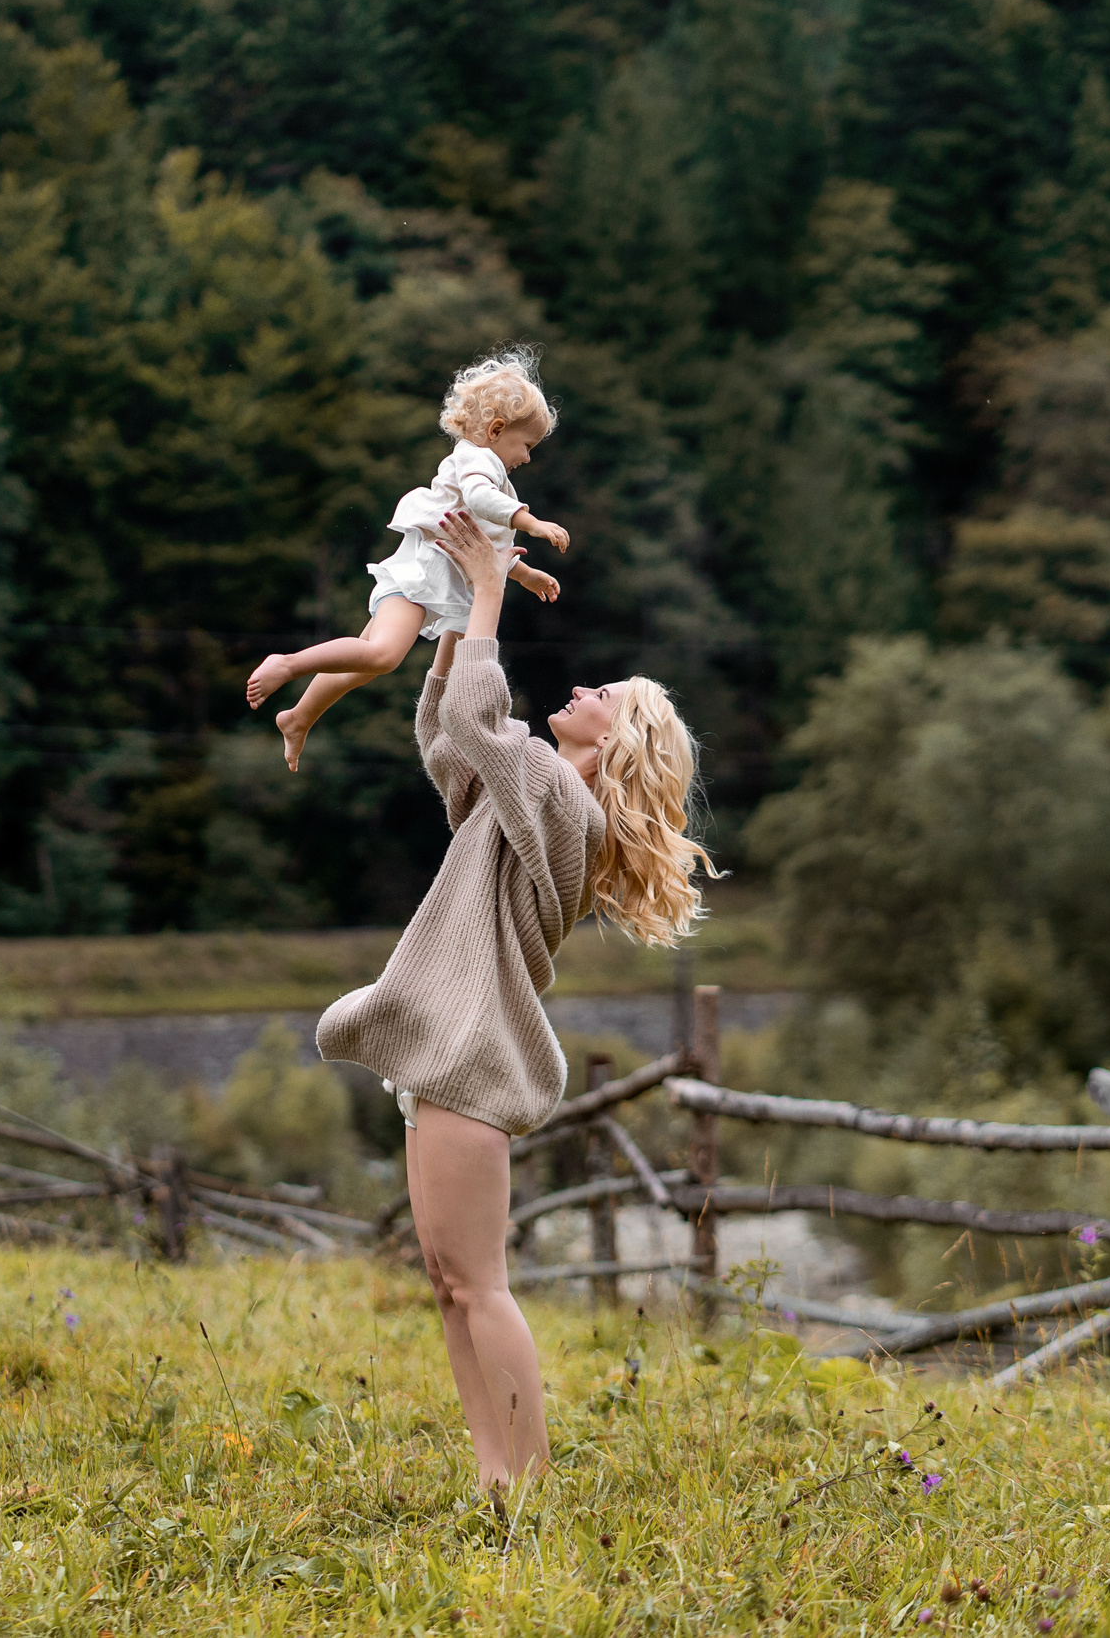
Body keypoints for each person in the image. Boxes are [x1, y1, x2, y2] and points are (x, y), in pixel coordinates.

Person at [316, 507, 713, 1493]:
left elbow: (473, 729)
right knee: (450, 1285)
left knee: (479, 1286)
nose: (581, 688)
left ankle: (527, 1486)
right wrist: (451, 612)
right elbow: (449, 743)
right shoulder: (527, 789)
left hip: (471, 1060)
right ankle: (495, 1479)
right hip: (452, 1055)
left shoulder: (559, 798)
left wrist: (488, 589)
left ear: (617, 738)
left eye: (603, 692)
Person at [246, 348, 573, 771]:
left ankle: (298, 717)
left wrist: (525, 575)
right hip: (419, 579)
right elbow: (478, 499)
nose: (527, 457)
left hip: (426, 581)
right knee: (383, 656)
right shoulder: (478, 462)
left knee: (365, 662)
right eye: (526, 445)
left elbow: (482, 543)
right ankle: (287, 664)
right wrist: (531, 522)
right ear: (495, 430)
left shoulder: (495, 478)